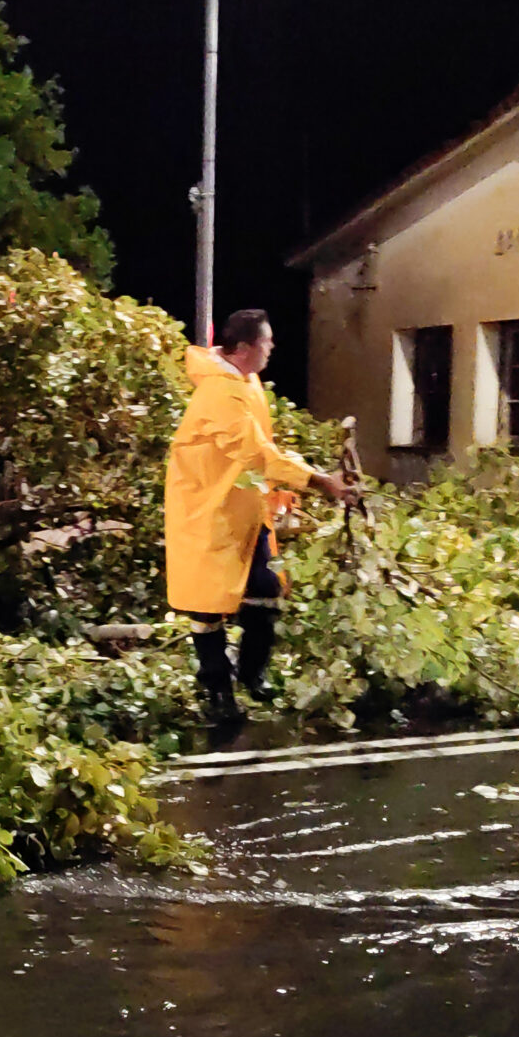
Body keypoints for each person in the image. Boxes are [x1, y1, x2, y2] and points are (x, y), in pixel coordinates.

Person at [164, 307, 352, 726]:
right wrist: (320, 481)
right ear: (246, 348)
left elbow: (258, 451)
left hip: (245, 511)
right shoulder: (220, 394)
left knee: (267, 591)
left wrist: (282, 494)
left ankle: (251, 674)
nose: (273, 348)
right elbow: (255, 453)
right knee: (207, 610)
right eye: (267, 341)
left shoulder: (244, 382)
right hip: (211, 514)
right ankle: (218, 691)